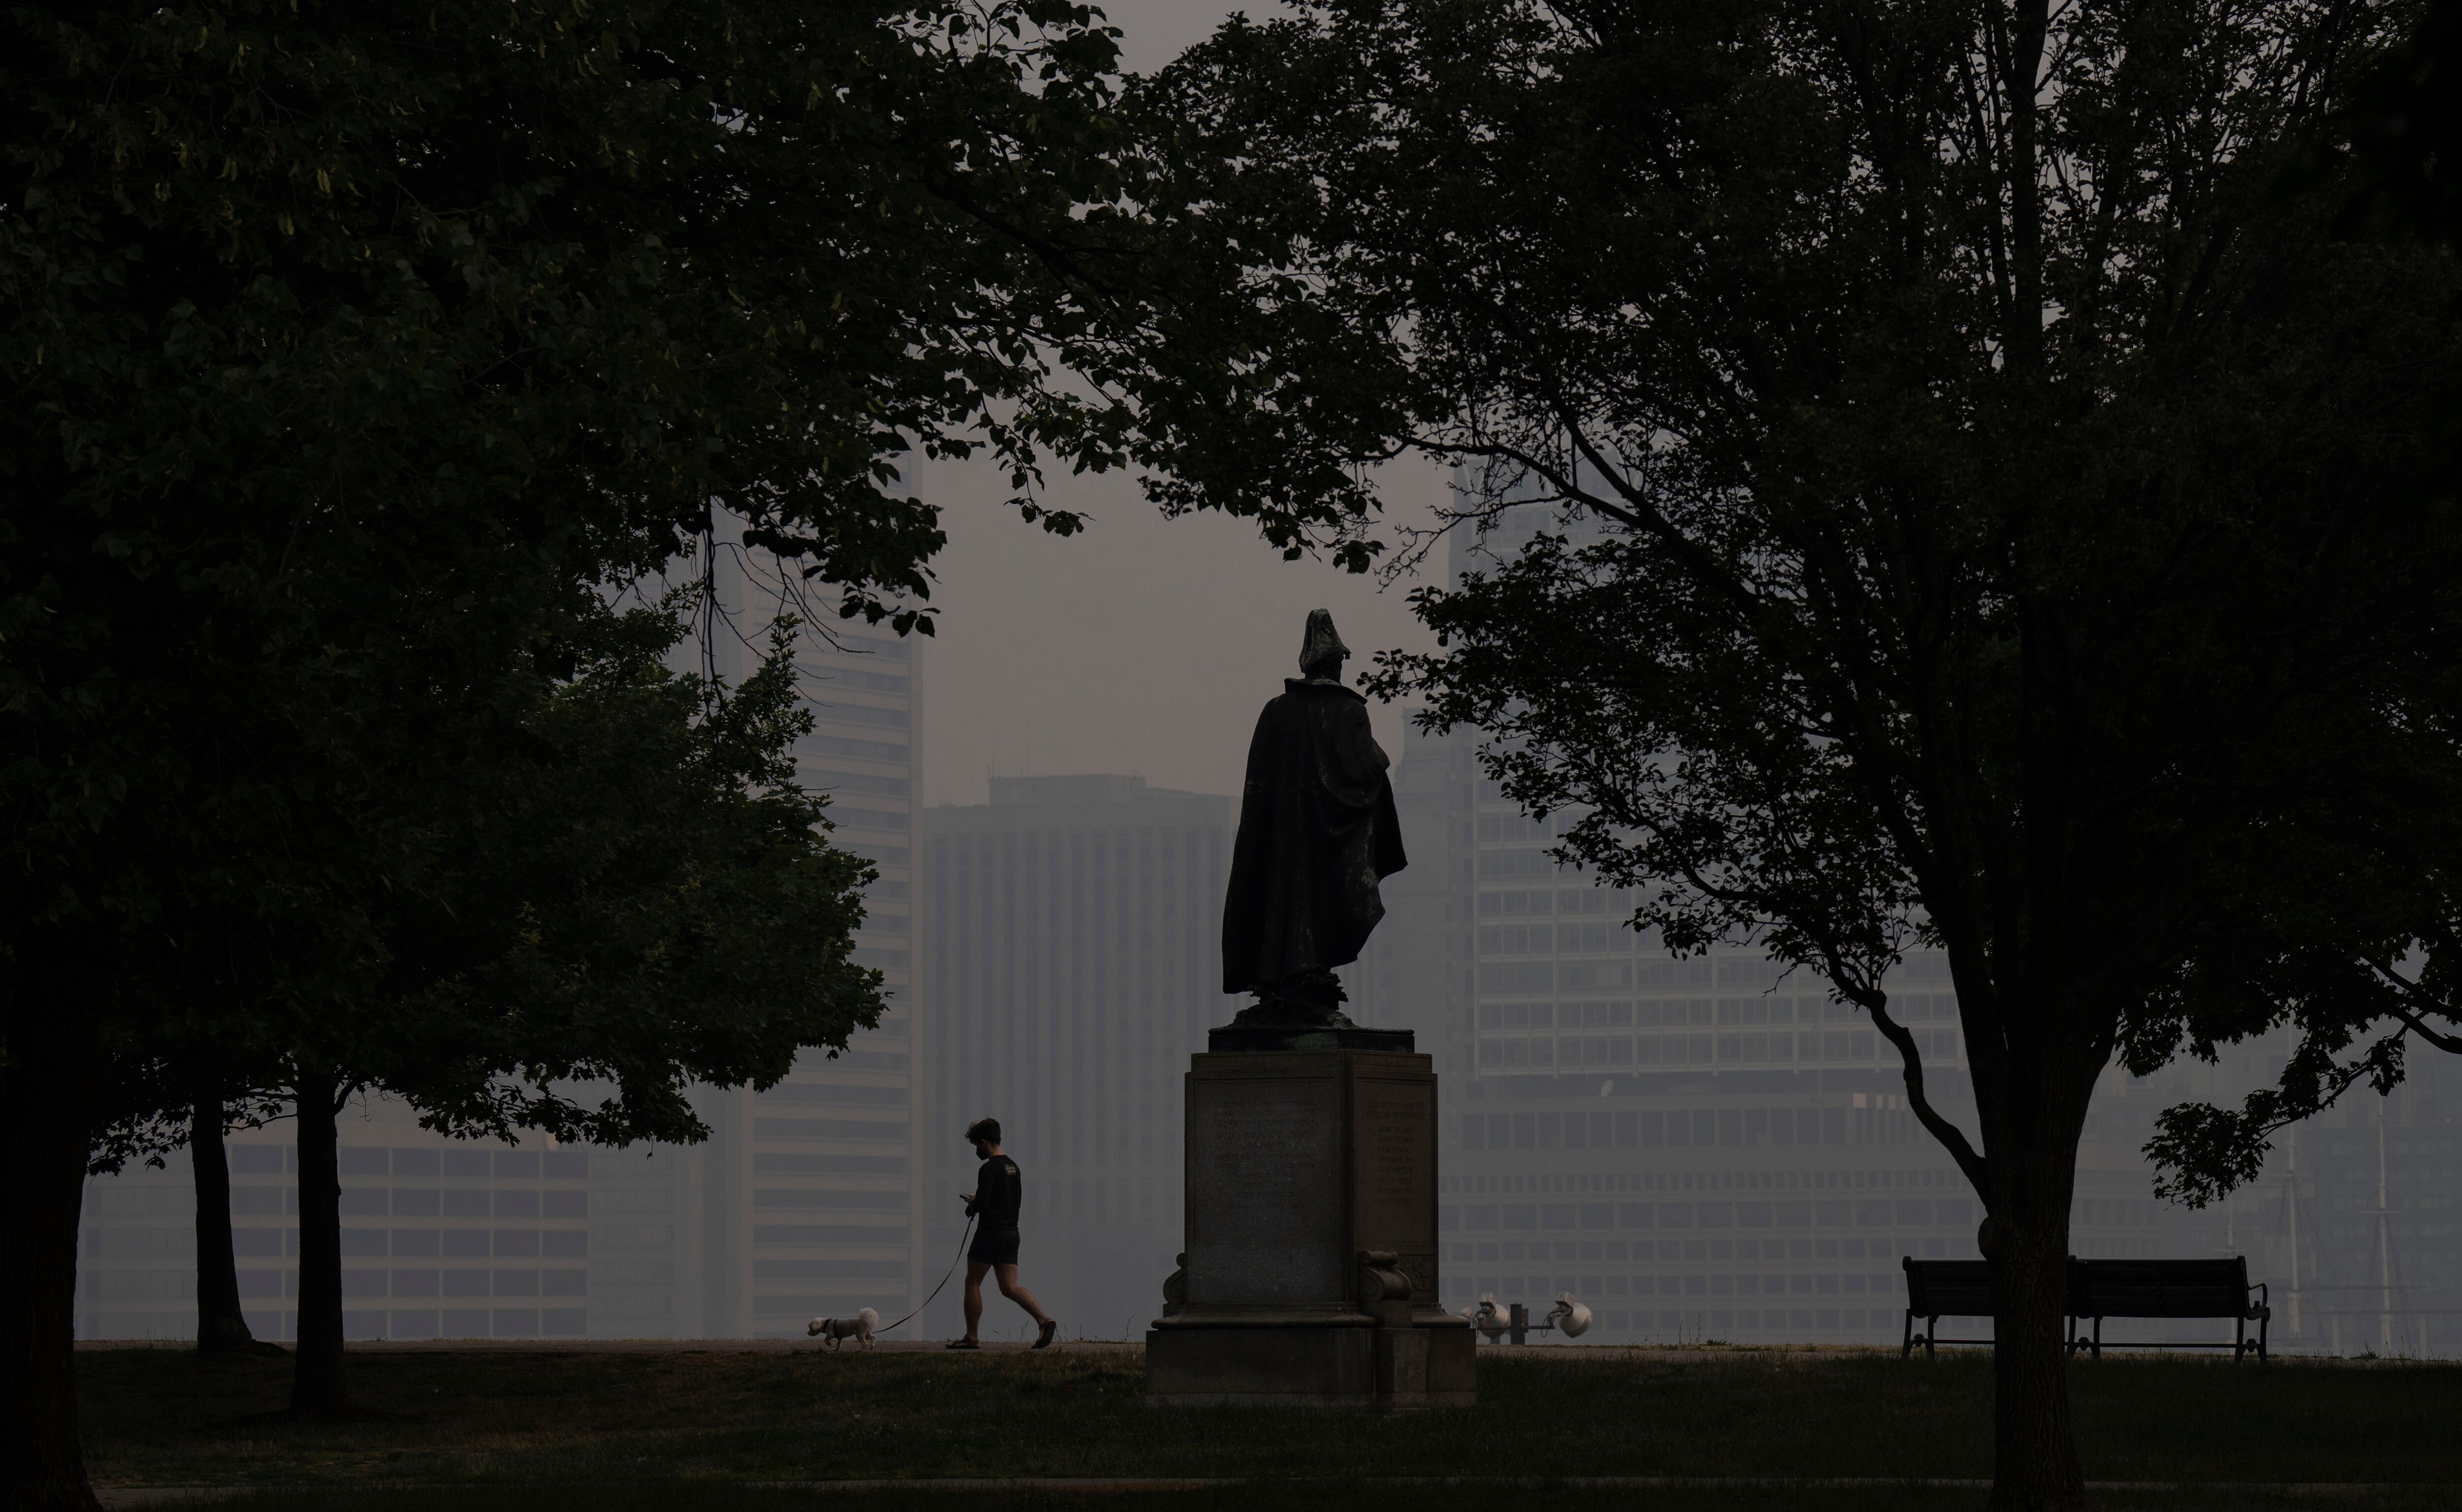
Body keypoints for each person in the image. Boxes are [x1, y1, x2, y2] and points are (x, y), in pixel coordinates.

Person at [950, 1117, 1057, 1350]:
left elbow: (985, 1202)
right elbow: (1008, 1199)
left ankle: (972, 1337)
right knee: (1010, 1287)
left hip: (990, 1234)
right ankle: (1043, 1320)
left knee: (973, 1282)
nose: (977, 1151)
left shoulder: (988, 1168)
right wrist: (979, 1199)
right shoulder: (1013, 1167)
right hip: (1011, 1234)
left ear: (983, 1141)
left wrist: (972, 1206)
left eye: (977, 1146)